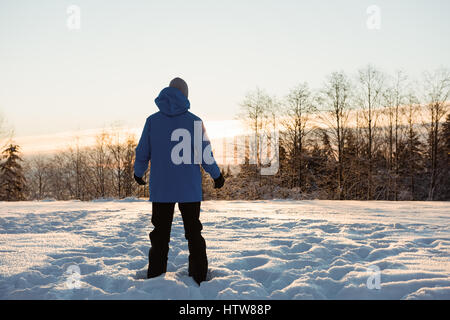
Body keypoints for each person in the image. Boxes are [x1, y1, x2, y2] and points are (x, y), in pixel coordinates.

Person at [134, 77, 225, 285]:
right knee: (194, 234)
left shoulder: (152, 121)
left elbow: (142, 152)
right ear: (185, 96)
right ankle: (199, 275)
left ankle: (156, 277)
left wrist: (138, 172)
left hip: (161, 189)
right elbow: (205, 153)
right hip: (189, 189)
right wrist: (216, 175)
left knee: (160, 236)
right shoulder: (194, 121)